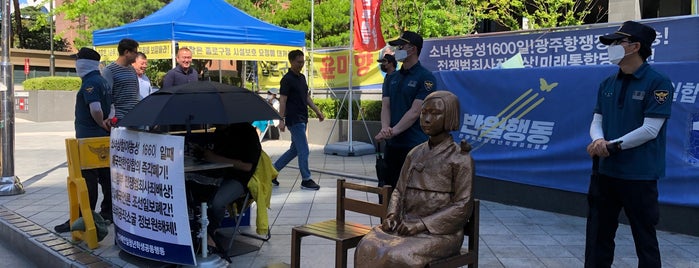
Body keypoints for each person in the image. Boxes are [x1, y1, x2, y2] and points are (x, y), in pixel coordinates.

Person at [585, 20, 674, 268]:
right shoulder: (607, 84)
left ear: (635, 46)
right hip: (605, 173)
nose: (611, 47)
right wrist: (598, 140)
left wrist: (612, 146)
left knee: (644, 239)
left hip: (639, 175)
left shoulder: (658, 82)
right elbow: (596, 120)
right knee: (598, 237)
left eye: (616, 42)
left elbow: (650, 130)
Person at [355, 91, 474, 267]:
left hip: (439, 233)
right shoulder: (415, 153)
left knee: (397, 255)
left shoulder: (460, 158)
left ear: (449, 116)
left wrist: (421, 225)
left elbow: (462, 206)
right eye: (424, 112)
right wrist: (392, 216)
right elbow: (399, 190)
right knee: (367, 246)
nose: (426, 119)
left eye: (435, 114)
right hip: (405, 224)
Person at [54, 47, 115, 233]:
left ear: (83, 63)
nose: (75, 64)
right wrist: (108, 123)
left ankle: (85, 219)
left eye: (77, 60)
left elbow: (95, 108)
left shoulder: (90, 82)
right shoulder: (103, 81)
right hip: (103, 138)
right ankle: (108, 214)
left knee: (87, 181)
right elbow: (112, 106)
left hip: (89, 139)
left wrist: (100, 122)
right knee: (106, 178)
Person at [374, 31, 437, 189]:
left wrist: (393, 130)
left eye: (401, 46)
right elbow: (386, 106)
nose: (397, 51)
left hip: (414, 146)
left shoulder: (426, 78)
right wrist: (385, 129)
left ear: (413, 49)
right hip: (392, 145)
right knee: (388, 191)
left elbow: (415, 111)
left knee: (411, 194)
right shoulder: (391, 78)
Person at [188, 123, 261, 255]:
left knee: (215, 202)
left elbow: (247, 167)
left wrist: (215, 158)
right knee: (192, 189)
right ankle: (201, 234)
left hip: (239, 179)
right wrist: (203, 153)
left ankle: (210, 235)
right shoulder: (219, 132)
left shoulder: (247, 133)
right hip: (217, 175)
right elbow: (215, 156)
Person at [272, 50, 325, 189]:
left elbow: (306, 97)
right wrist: (281, 119)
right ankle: (306, 179)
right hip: (293, 119)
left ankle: (271, 173)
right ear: (291, 61)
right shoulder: (286, 80)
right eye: (299, 62)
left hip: (303, 117)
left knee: (294, 150)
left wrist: (317, 111)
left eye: (303, 62)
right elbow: (282, 100)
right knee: (304, 150)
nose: (301, 65)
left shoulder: (302, 78)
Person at [102, 38, 139, 120]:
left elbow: (136, 92)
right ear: (126, 52)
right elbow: (107, 96)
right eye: (135, 52)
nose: (136, 55)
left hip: (134, 117)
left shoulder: (132, 69)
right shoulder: (109, 70)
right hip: (118, 118)